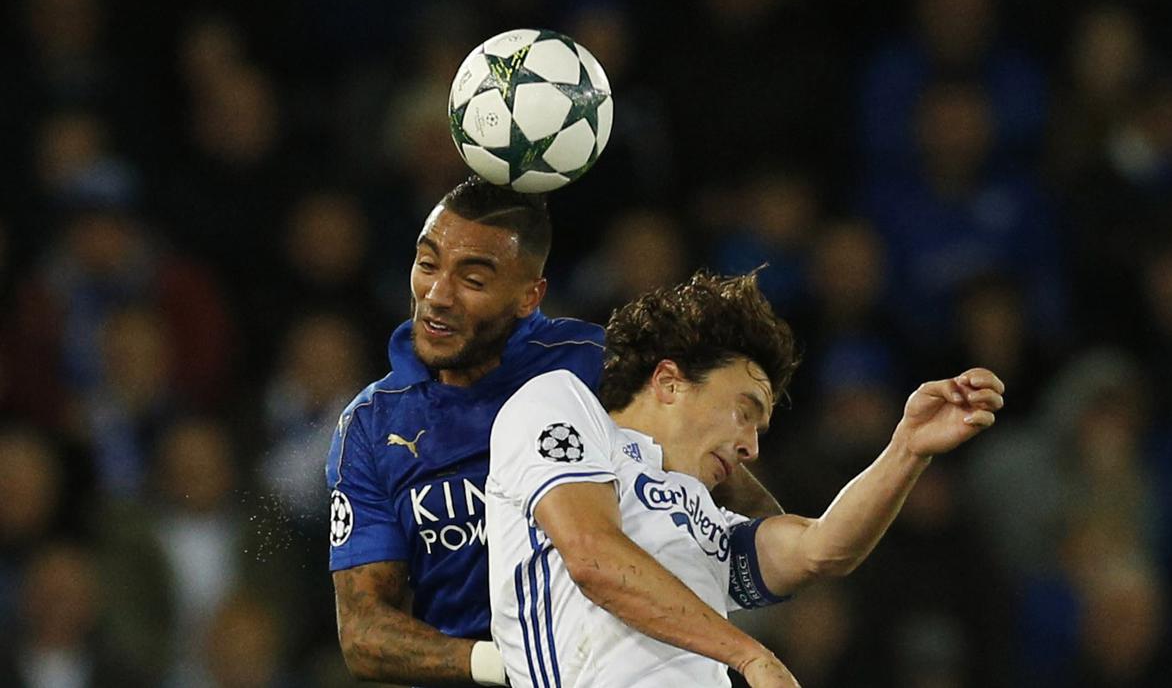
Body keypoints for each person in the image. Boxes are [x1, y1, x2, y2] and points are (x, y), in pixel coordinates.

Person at [326, 177, 780, 686]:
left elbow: (748, 514)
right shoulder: (371, 424)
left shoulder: (592, 366)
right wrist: (507, 666)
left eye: (472, 281)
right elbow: (364, 633)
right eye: (427, 265)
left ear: (529, 297)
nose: (438, 295)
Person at [486, 271, 1005, 687]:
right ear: (669, 382)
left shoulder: (707, 522)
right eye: (744, 410)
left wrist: (908, 449)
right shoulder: (562, 405)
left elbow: (822, 550)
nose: (752, 447)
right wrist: (750, 657)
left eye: (761, 430)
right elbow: (593, 558)